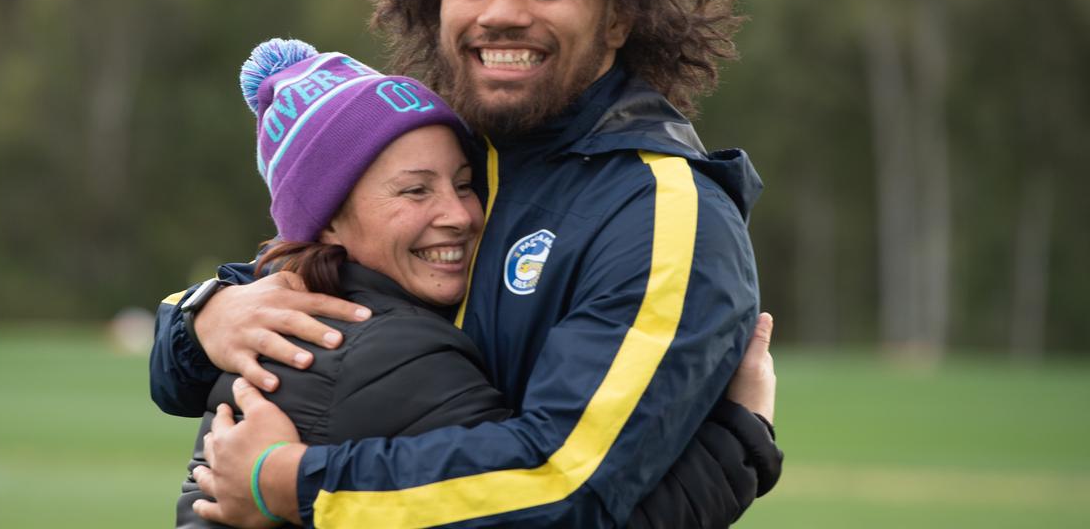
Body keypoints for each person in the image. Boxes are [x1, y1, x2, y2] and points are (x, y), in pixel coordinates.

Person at [153, 0, 778, 528]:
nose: (502, 13)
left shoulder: (662, 214)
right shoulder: (455, 150)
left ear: (618, 16)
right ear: (435, 1)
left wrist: (292, 483)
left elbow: (559, 486)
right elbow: (304, 269)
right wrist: (200, 320)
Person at [174, 39, 779, 529]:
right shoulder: (388, 353)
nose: (460, 215)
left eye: (465, 183)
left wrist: (197, 312)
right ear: (328, 219)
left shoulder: (294, 303)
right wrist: (739, 441)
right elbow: (545, 515)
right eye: (415, 190)